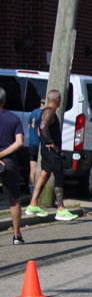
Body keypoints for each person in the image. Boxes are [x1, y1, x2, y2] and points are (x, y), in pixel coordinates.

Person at [24, 90, 78, 222]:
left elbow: (39, 129)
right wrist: (51, 143)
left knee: (45, 174)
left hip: (46, 151)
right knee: (59, 176)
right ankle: (61, 209)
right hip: (51, 152)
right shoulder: (49, 112)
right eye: (61, 99)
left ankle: (32, 204)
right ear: (58, 100)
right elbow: (43, 127)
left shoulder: (45, 111)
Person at [0, 86, 26, 244]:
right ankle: (17, 235)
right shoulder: (14, 119)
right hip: (8, 162)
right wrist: (2, 154)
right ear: (4, 100)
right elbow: (19, 142)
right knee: (14, 199)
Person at [27, 101, 43, 196]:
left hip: (31, 144)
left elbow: (29, 126)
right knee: (41, 171)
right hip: (40, 145)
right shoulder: (45, 113)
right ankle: (38, 193)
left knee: (32, 170)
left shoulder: (33, 112)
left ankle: (31, 192)